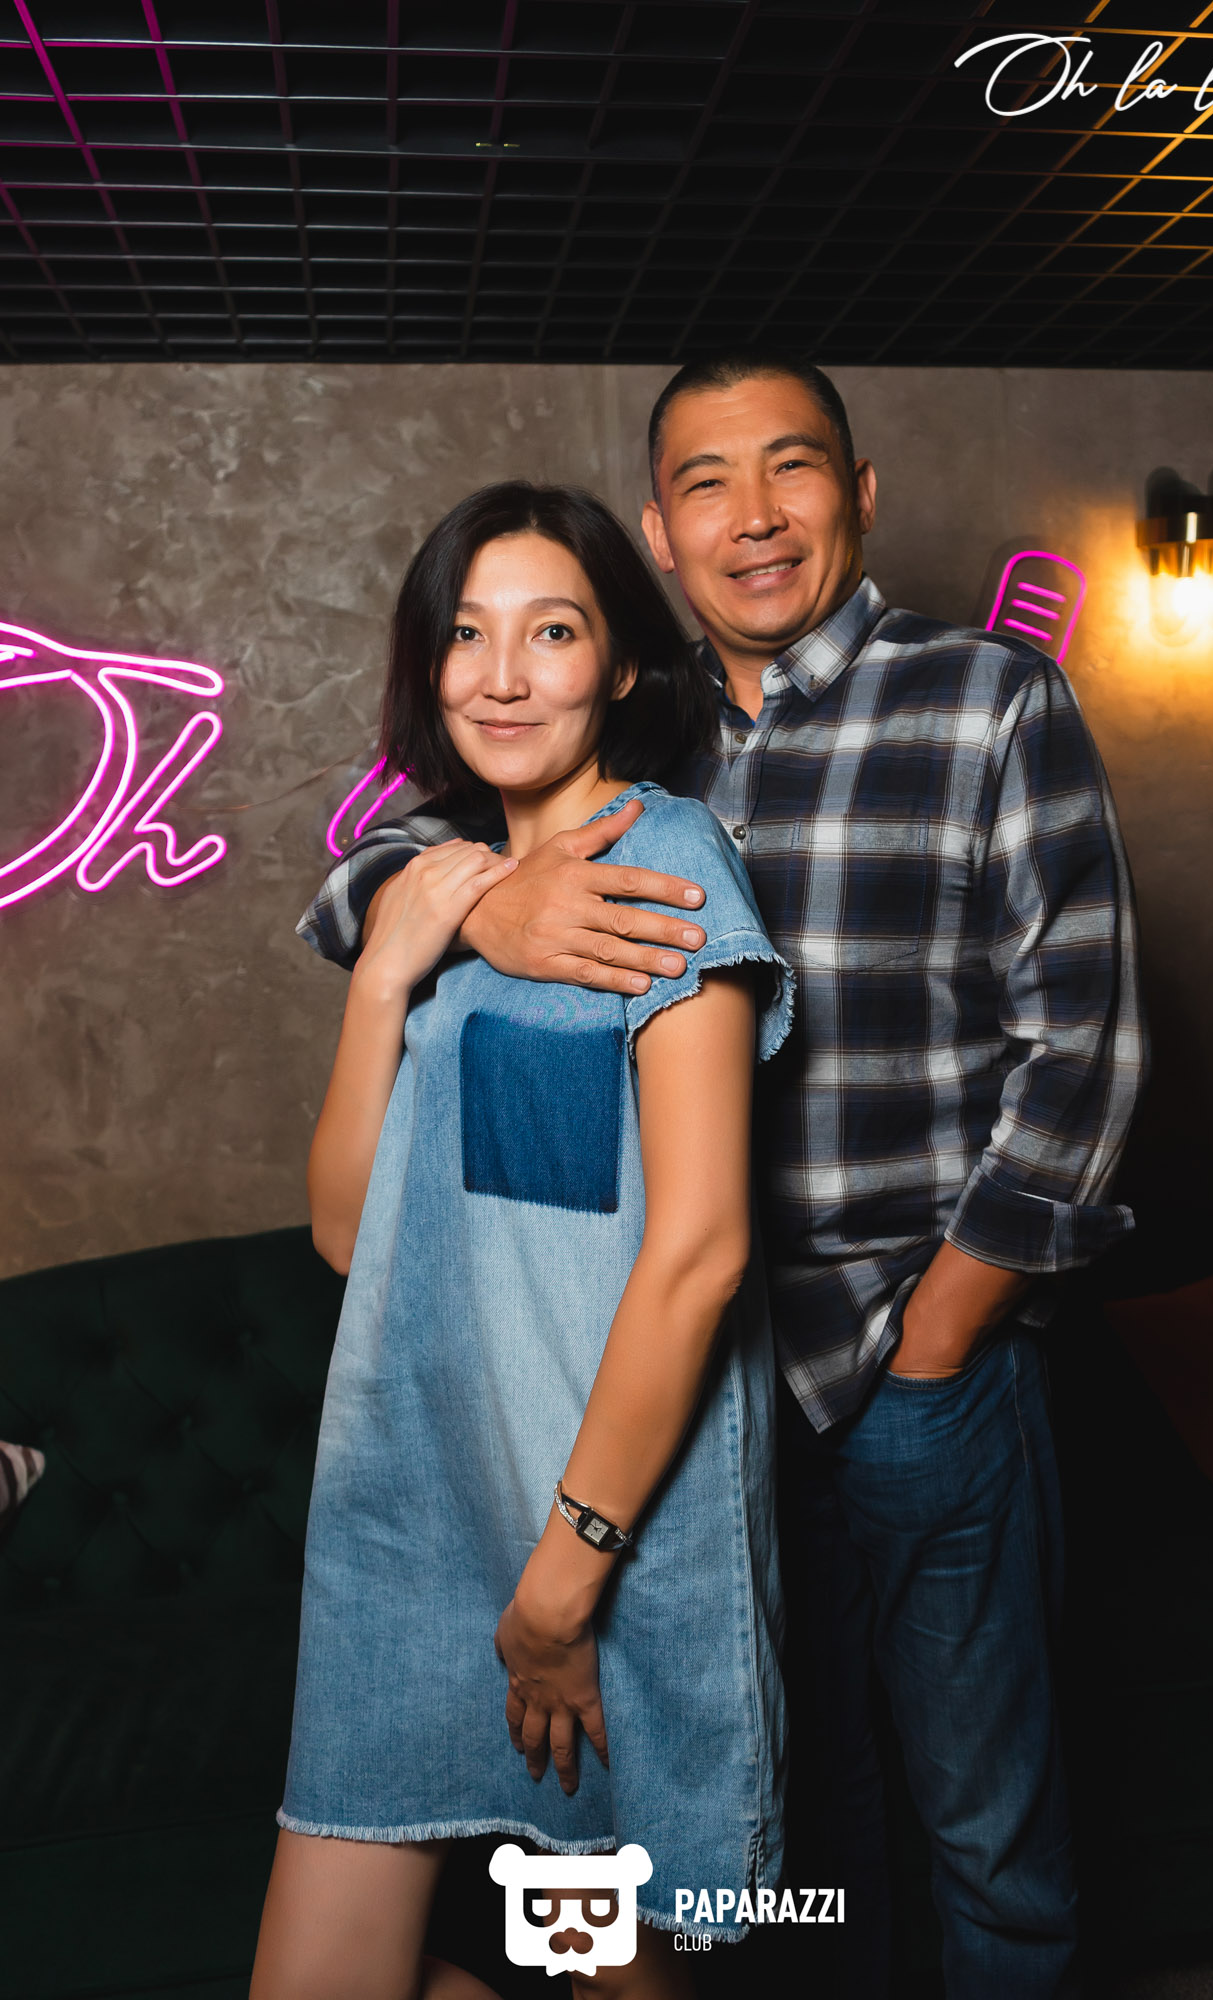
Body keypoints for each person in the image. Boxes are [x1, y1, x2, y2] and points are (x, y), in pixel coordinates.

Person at [299, 357, 1147, 1997]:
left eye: (791, 468)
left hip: (906, 1353)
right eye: (705, 482)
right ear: (658, 533)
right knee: (789, 1832)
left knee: (983, 1818)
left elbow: (1083, 1054)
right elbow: (374, 877)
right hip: (699, 1397)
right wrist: (486, 901)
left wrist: (943, 1332)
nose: (752, 516)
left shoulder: (984, 699)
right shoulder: (639, 714)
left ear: (860, 494)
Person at [253, 482, 794, 2000]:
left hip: (594, 1525)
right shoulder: (442, 887)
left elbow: (701, 1251)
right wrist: (387, 973)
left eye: (551, 632)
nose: (501, 676)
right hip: (415, 1518)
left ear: (619, 664)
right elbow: (349, 1232)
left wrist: (568, 1578)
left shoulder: (669, 855)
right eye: (466, 635)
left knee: (610, 1968)